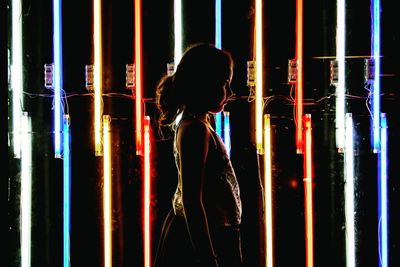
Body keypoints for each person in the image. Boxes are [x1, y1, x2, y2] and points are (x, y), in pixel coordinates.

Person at [153, 43, 243, 267]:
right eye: (225, 84)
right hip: (201, 239)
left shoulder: (197, 122)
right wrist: (209, 258)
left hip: (204, 234)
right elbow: (192, 200)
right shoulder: (195, 128)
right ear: (205, 84)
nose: (230, 93)